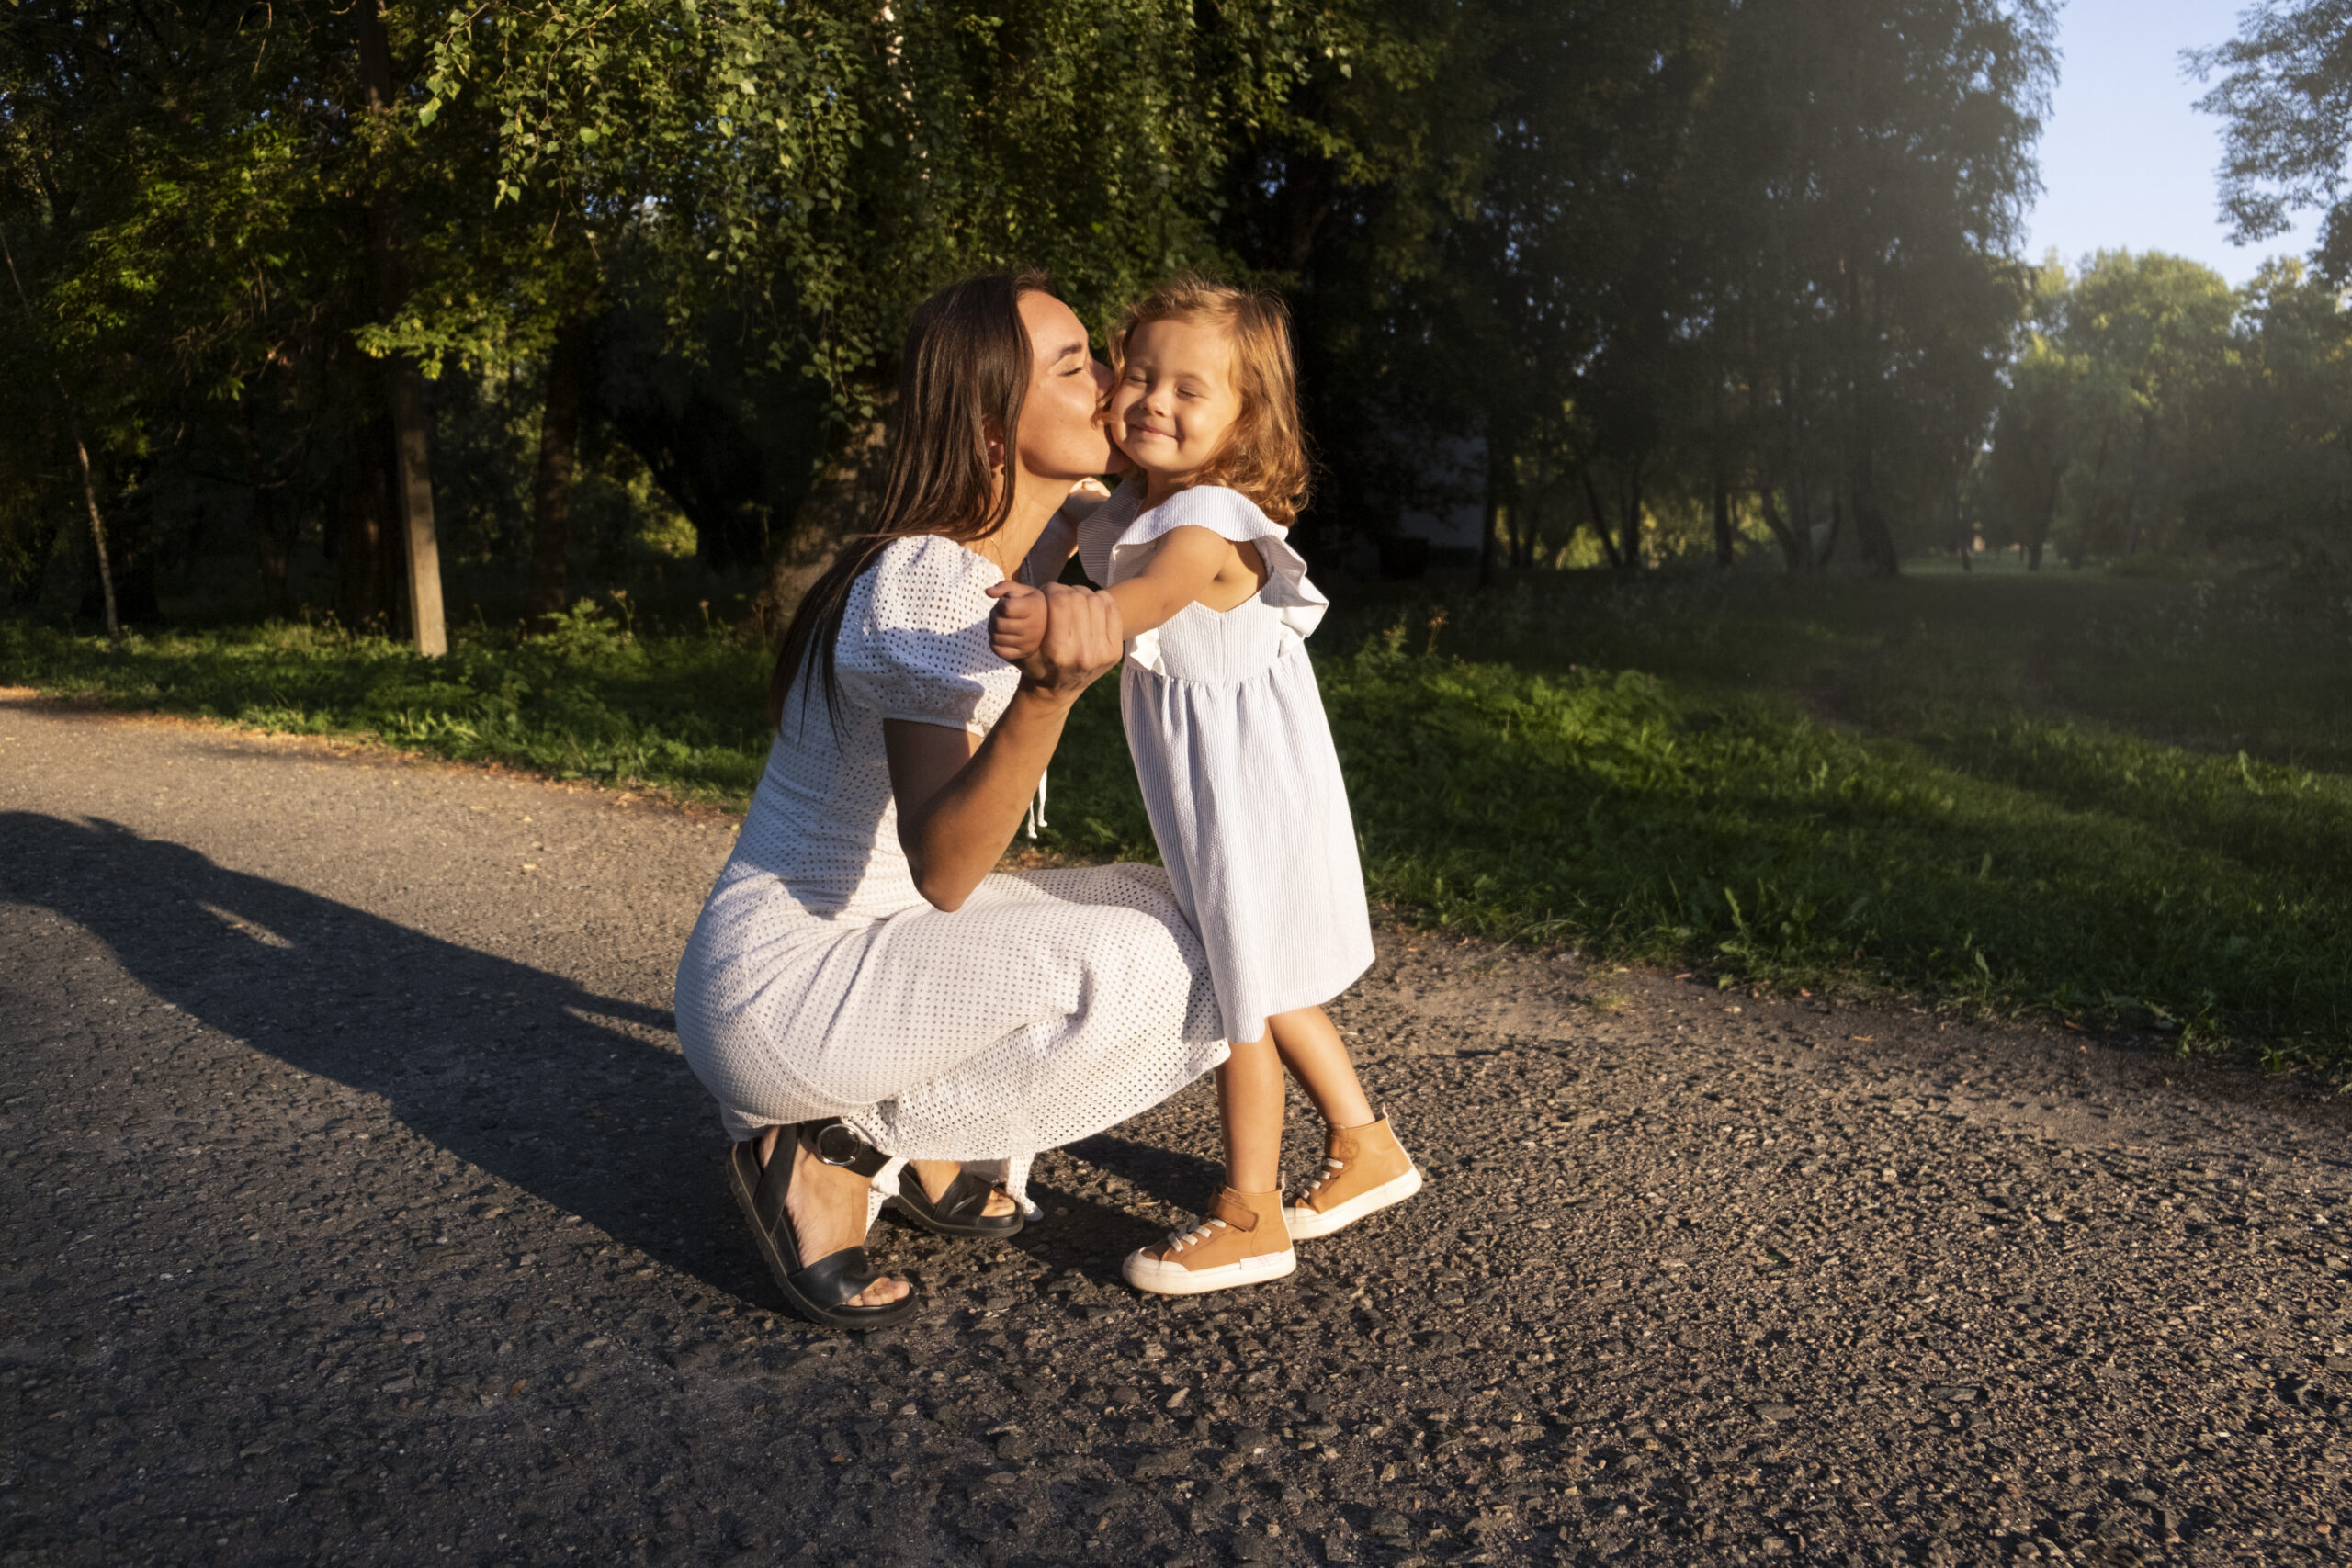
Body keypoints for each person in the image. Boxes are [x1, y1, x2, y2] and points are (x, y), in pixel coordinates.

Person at [673, 272, 1229, 1330]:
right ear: (989, 431)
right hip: (788, 992)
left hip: (854, 958)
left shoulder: (989, 550)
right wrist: (1052, 694)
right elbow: (945, 866)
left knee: (1180, 910)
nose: (1112, 382)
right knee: (1152, 966)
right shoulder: (925, 578)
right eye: (1076, 366)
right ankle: (836, 1146)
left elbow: (1128, 532)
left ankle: (909, 1139)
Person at [992, 275, 1420, 1297]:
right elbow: (1075, 531)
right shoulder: (1133, 503)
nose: (1152, 401)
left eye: (1191, 390)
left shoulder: (1209, 523)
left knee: (1237, 993)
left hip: (1250, 802)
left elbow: (1133, 605)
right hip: (1213, 790)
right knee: (1267, 981)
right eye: (1138, 374)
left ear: (1244, 416)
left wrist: (1048, 616)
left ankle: (1249, 1213)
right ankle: (1367, 1149)